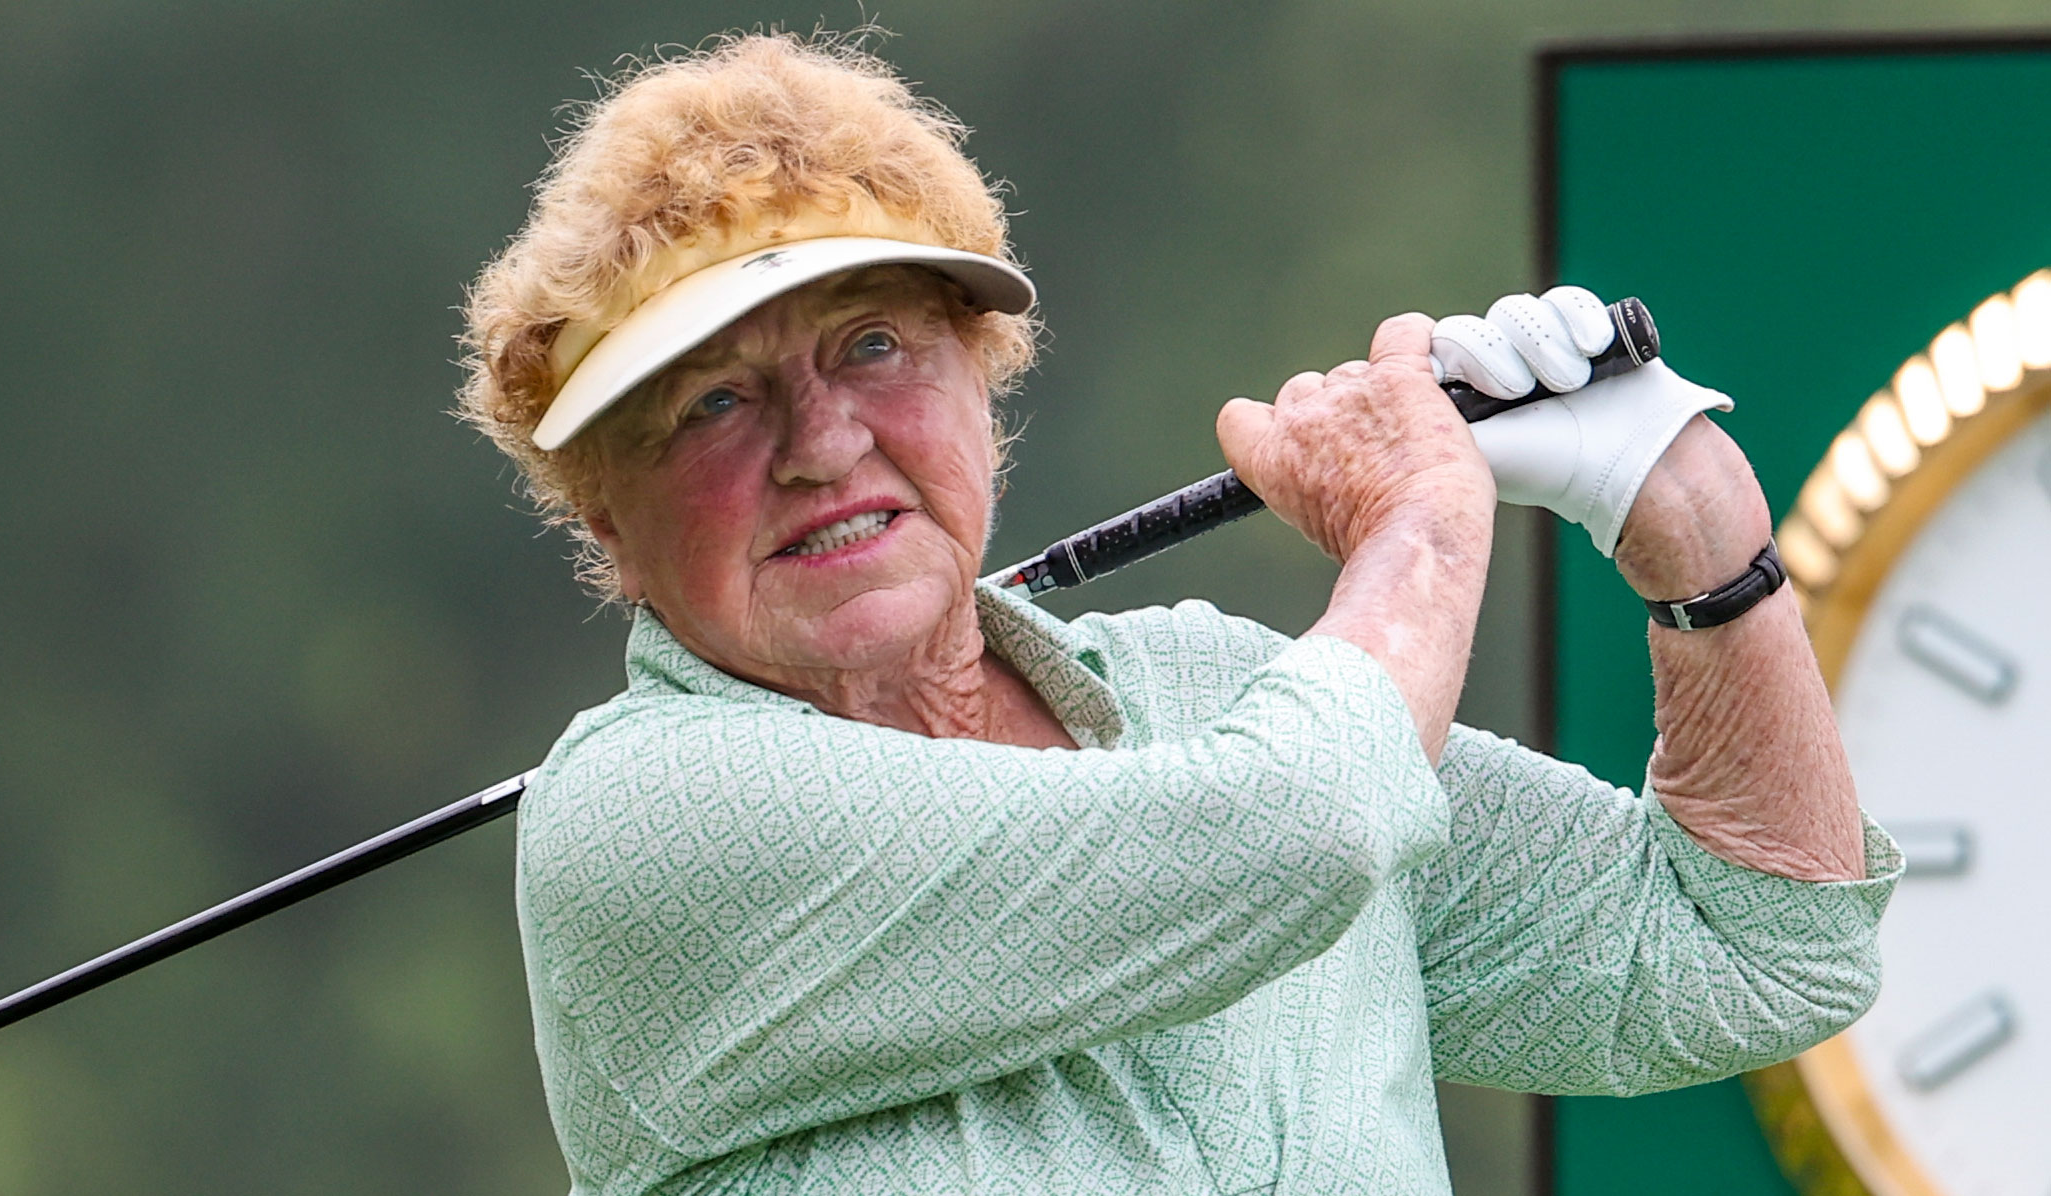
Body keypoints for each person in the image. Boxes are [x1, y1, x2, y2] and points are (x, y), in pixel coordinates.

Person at [458, 33, 1898, 1196]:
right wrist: (1418, 525)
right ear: (605, 522)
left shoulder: (1220, 692)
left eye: (876, 345)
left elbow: (1755, 952)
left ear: (986, 378)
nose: (822, 441)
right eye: (714, 400)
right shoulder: (639, 820)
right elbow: (1301, 828)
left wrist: (1688, 514)